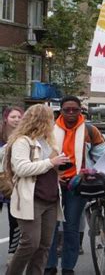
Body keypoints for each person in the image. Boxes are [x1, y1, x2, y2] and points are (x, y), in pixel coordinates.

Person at [4, 104, 70, 275]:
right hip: (31, 198)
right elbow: (21, 168)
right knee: (30, 243)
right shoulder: (22, 141)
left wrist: (59, 165)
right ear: (42, 121)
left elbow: (48, 168)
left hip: (50, 198)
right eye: (51, 119)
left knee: (44, 246)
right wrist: (51, 162)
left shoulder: (48, 142)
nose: (54, 122)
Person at [46, 96, 105, 275]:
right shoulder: (49, 130)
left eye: (75, 109)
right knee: (51, 227)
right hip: (52, 184)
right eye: (67, 110)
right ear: (61, 111)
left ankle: (68, 267)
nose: (71, 113)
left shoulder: (90, 130)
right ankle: (49, 266)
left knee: (71, 227)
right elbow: (41, 156)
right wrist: (54, 174)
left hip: (78, 185)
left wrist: (90, 172)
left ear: (81, 111)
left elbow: (103, 158)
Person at [0, 106, 23, 263]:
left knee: (15, 220)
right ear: (5, 118)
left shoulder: (24, 136)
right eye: (13, 117)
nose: (16, 120)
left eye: (19, 117)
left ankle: (12, 254)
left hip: (15, 182)